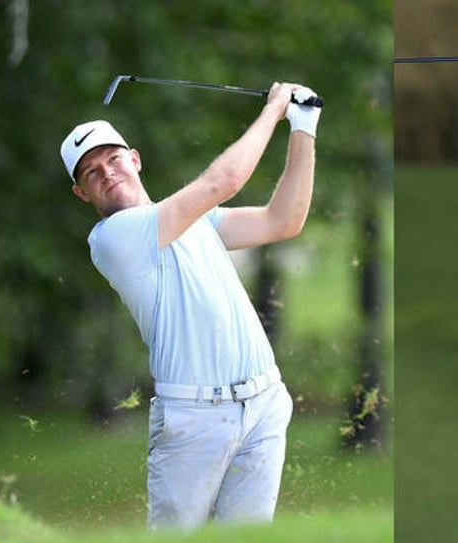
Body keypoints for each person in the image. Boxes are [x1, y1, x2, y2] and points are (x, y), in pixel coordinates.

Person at [59, 82, 321, 530]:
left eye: (113, 159)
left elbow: (283, 221)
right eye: (91, 172)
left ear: (135, 159)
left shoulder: (193, 220)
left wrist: (303, 127)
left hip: (263, 404)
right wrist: (275, 109)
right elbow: (224, 182)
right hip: (194, 420)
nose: (107, 173)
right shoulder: (113, 239)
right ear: (82, 192)